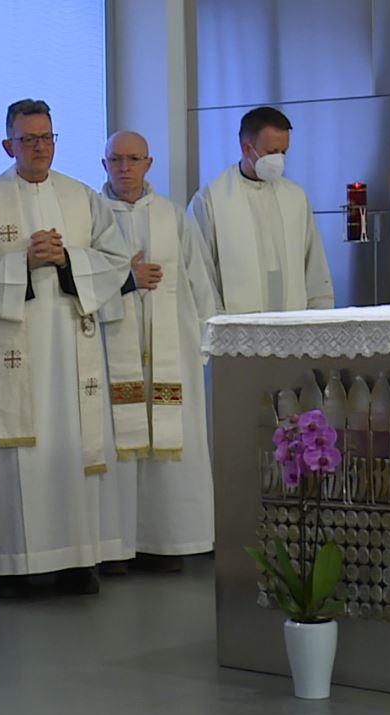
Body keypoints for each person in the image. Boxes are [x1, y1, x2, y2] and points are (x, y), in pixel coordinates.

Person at [0, 99, 136, 597]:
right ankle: (17, 565)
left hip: (73, 347)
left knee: (73, 449)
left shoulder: (82, 198)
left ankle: (78, 561)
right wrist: (23, 263)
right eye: (28, 139)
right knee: (20, 458)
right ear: (8, 144)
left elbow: (117, 261)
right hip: (14, 354)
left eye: (47, 138)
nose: (39, 148)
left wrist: (68, 260)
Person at [99, 131, 216, 573]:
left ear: (149, 163)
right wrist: (123, 277)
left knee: (171, 442)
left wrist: (202, 342)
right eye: (116, 160)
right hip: (112, 352)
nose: (124, 168)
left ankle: (168, 541)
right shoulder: (92, 216)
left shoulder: (172, 215)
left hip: (171, 352)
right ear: (103, 163)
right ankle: (116, 546)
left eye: (133, 159)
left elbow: (198, 281)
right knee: (117, 446)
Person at [189, 106, 334, 313]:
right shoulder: (211, 199)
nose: (279, 160)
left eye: (284, 152)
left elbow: (315, 265)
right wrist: (217, 324)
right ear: (247, 149)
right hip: (236, 331)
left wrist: (320, 314)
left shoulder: (295, 197)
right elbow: (200, 271)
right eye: (271, 152)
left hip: (293, 327)